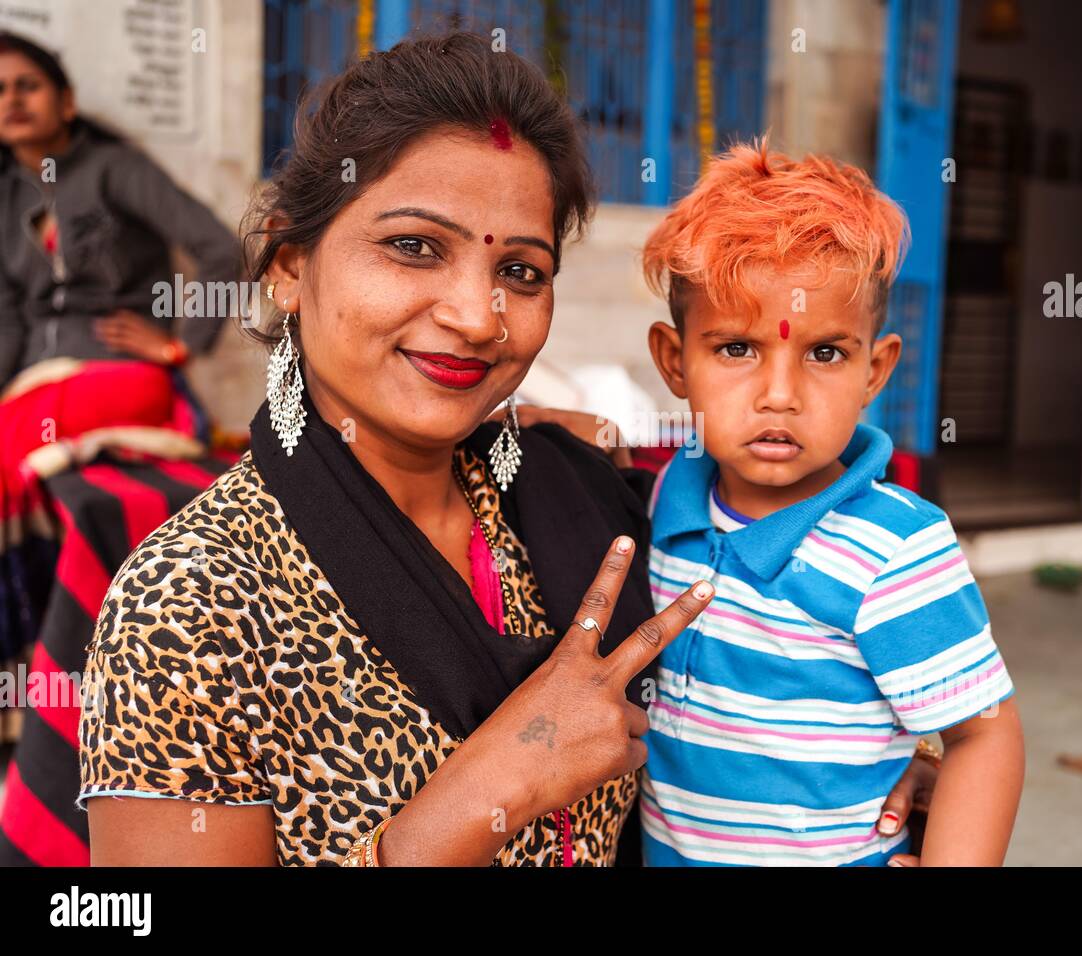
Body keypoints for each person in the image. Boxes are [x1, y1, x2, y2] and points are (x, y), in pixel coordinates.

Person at [76, 32, 940, 867]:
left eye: (521, 272)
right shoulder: (190, 605)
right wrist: (495, 787)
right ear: (290, 266)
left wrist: (849, 771)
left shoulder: (581, 501)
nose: (477, 316)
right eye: (414, 247)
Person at [633, 140, 1025, 865]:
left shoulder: (896, 550)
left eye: (824, 354)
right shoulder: (665, 499)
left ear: (874, 371)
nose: (780, 395)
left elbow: (985, 733)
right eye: (735, 349)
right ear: (673, 361)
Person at [0, 31, 240, 660]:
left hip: (119, 372)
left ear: (67, 101)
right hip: (33, 382)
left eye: (27, 85)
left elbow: (223, 250)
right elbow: (8, 322)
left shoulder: (116, 171)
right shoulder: (5, 199)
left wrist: (180, 344)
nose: (12, 100)